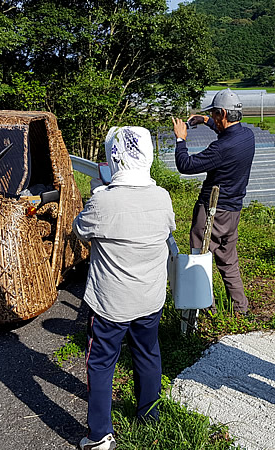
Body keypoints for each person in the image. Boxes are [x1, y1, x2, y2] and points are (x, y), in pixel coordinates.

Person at [72, 126, 176, 450]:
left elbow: (80, 230)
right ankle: (150, 415)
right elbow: (167, 229)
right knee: (147, 354)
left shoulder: (103, 200)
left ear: (113, 159)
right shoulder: (162, 197)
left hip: (110, 304)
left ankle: (100, 435)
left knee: (102, 362)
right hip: (150, 297)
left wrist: (98, 193)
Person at [171, 88, 255, 314]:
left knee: (200, 257)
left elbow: (185, 165)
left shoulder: (221, 149)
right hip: (234, 209)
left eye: (215, 115)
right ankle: (240, 308)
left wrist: (180, 138)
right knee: (228, 259)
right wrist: (206, 120)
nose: (214, 120)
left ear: (223, 114)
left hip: (212, 210)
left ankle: (207, 309)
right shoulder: (248, 136)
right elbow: (227, 132)